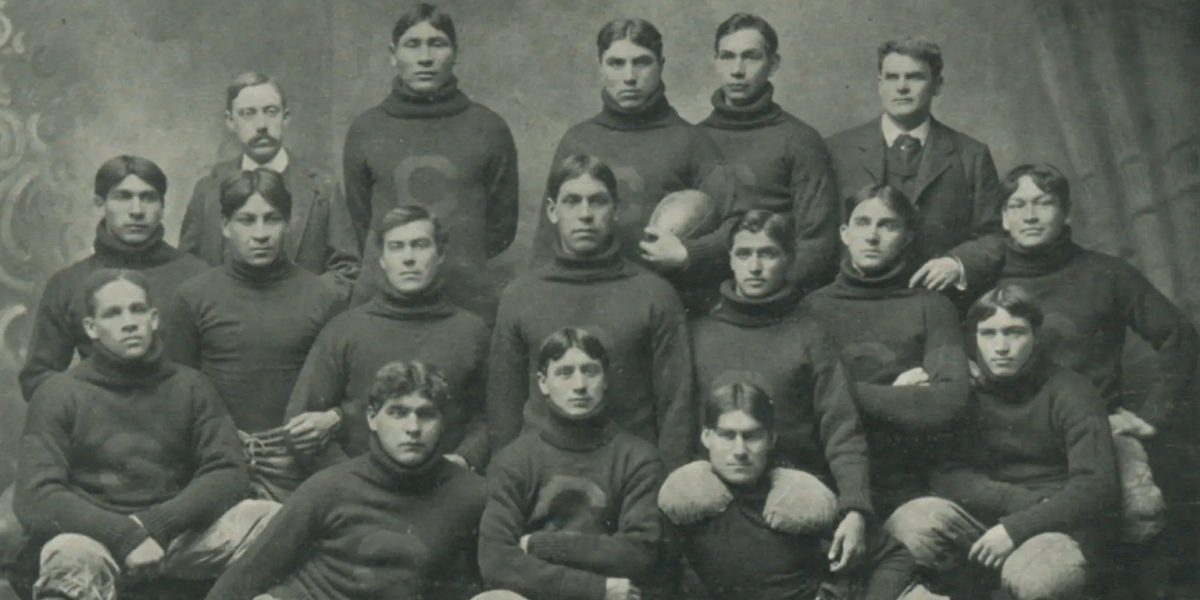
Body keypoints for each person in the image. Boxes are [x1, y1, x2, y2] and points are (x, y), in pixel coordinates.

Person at [951, 163, 1200, 590]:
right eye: (1017, 205)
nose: (1030, 216)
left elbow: (1179, 337)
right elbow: (940, 337)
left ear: (1065, 212)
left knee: (1139, 510)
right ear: (1004, 218)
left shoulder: (1107, 273)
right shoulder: (983, 281)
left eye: (1043, 203)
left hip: (1092, 433)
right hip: (1006, 434)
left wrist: (1152, 414)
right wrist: (958, 366)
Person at [13, 269, 277, 600]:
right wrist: (125, 536)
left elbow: (227, 471)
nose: (129, 322)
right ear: (91, 328)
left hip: (180, 538)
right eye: (113, 313)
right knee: (68, 554)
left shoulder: (191, 385)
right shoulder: (58, 394)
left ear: (153, 320)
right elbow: (36, 496)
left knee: (271, 520)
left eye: (137, 310)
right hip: (98, 539)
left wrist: (156, 525)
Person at [887, 284, 1119, 599]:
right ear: (974, 339)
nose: (1001, 347)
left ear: (1035, 336)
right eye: (989, 333)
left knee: (1043, 580)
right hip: (983, 527)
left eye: (1014, 333)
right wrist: (1015, 506)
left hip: (1051, 525)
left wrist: (1019, 526)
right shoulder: (962, 391)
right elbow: (947, 474)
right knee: (908, 522)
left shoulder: (1071, 391)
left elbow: (1096, 486)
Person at [207, 361, 488, 600]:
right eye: (398, 413)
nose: (412, 428)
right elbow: (245, 576)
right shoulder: (330, 487)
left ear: (443, 422)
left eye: (426, 414)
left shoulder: (472, 495)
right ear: (372, 418)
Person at [690, 209, 875, 561]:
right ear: (730, 259)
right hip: (716, 500)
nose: (755, 267)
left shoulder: (810, 334)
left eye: (768, 253)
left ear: (788, 260)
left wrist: (855, 509)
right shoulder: (699, 333)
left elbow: (842, 429)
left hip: (793, 496)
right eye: (744, 254)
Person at [487, 154, 693, 469]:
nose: (585, 214)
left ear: (616, 210)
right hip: (541, 477)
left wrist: (664, 488)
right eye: (572, 201)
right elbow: (504, 410)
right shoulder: (520, 295)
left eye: (597, 201)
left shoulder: (654, 294)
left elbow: (676, 406)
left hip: (630, 479)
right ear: (552, 211)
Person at [528, 17, 736, 315]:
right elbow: (546, 243)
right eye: (616, 63)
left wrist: (688, 253)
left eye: (642, 62)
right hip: (586, 305)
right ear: (600, 67)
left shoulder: (692, 141)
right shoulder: (578, 140)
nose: (629, 76)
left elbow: (739, 225)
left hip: (668, 309)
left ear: (661, 65)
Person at [166, 169, 345, 500]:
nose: (260, 233)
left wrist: (332, 417)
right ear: (225, 225)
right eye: (247, 220)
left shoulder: (324, 297)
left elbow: (348, 387)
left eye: (271, 219)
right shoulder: (193, 297)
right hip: (216, 462)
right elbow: (174, 390)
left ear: (289, 222)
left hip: (299, 466)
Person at [659, 378, 918, 600]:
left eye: (752, 436)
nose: (739, 451)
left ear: (771, 438)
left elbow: (895, 556)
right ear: (707, 437)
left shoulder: (801, 495)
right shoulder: (684, 498)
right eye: (727, 435)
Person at [344, 2, 518, 321]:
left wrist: (459, 257)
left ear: (455, 53)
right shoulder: (366, 129)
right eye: (413, 45)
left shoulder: (488, 127)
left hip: (467, 301)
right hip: (384, 304)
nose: (425, 58)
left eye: (437, 44)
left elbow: (501, 228)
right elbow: (362, 221)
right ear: (392, 54)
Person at [804, 185, 970, 517]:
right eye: (862, 223)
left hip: (909, 483)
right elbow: (799, 403)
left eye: (888, 225)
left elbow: (948, 403)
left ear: (908, 236)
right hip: (828, 480)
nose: (872, 236)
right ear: (844, 233)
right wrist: (896, 395)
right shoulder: (812, 308)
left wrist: (840, 394)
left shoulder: (932, 307)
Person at [285, 205, 490, 470]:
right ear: (381, 258)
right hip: (356, 493)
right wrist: (347, 478)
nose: (408, 258)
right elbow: (299, 426)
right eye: (396, 247)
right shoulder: (345, 330)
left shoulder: (471, 331)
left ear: (440, 254)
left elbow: (490, 419)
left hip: (443, 491)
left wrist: (465, 459)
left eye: (420, 245)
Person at [477, 327, 664, 600]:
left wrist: (544, 545)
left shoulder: (637, 458)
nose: (579, 385)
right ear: (543, 382)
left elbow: (640, 552)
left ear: (606, 378)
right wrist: (594, 589)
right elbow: (496, 560)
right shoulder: (514, 460)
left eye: (590, 371)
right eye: (564, 373)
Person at [19, 155, 206, 400]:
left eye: (148, 198)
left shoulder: (199, 276)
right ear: (100, 203)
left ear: (162, 207)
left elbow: (223, 371)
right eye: (123, 196)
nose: (136, 211)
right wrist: (97, 410)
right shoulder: (67, 284)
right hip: (98, 432)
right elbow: (38, 379)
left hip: (185, 428)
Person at [825, 37, 1003, 291]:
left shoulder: (971, 154)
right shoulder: (837, 150)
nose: (902, 87)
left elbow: (994, 236)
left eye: (914, 77)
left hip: (939, 300)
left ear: (937, 85)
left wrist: (958, 263)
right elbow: (819, 231)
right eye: (892, 77)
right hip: (855, 298)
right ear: (880, 85)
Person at [180, 71, 360, 290]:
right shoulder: (208, 188)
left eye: (271, 112)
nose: (262, 124)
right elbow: (187, 268)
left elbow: (347, 269)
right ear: (230, 121)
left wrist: (307, 303)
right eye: (248, 113)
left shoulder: (322, 187)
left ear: (286, 117)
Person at [699, 13, 840, 291]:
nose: (737, 70)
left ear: (773, 64)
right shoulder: (693, 139)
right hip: (708, 305)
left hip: (776, 302)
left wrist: (767, 297)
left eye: (751, 57)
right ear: (716, 62)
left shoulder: (800, 140)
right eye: (727, 56)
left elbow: (817, 243)